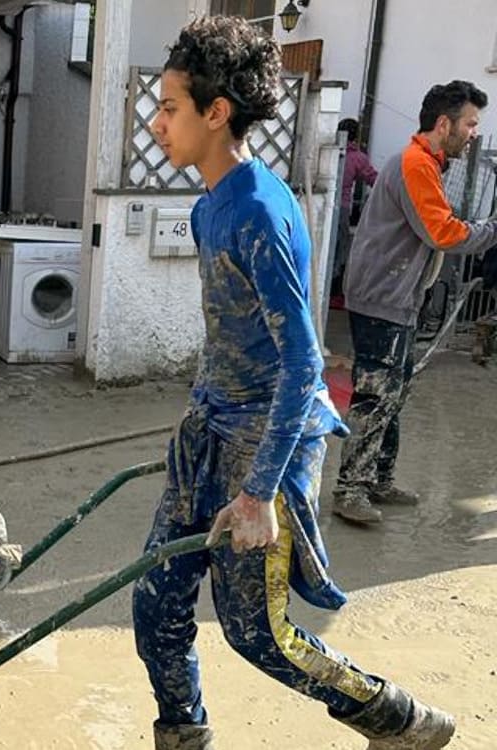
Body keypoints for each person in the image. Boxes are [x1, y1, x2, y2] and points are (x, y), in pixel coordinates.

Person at [133, 17, 454, 749]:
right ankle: (183, 735)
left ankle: (398, 718)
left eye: (171, 108)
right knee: (156, 602)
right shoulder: (210, 202)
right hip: (212, 427)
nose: (157, 123)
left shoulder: (257, 209)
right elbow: (231, 338)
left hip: (266, 443)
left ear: (216, 114)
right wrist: (196, 428)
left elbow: (304, 361)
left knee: (260, 635)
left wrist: (258, 493)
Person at [332, 80, 497, 524]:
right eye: (470, 123)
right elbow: (443, 232)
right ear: (444, 124)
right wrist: (492, 229)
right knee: (376, 394)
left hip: (394, 295)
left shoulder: (426, 163)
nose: (473, 133)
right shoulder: (416, 165)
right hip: (382, 297)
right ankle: (350, 489)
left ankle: (378, 479)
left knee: (394, 391)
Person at [332, 117, 378, 293]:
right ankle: (335, 288)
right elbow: (374, 179)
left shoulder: (331, 150)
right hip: (342, 208)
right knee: (340, 248)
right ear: (357, 136)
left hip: (324, 204)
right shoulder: (358, 158)